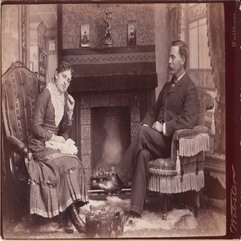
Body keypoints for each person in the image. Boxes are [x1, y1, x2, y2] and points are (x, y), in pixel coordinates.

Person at [98, 40, 199, 219]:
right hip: (156, 140)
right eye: (169, 56)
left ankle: (119, 180)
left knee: (143, 134)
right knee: (143, 153)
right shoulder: (168, 86)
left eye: (172, 57)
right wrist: (146, 123)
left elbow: (189, 120)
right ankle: (135, 211)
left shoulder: (190, 89)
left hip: (172, 144)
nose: (168, 61)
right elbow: (153, 111)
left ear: (183, 59)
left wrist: (165, 126)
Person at [27, 62, 88, 233]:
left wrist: (69, 112)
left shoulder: (63, 96)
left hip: (52, 143)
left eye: (69, 80)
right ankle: (73, 217)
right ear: (55, 75)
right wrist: (55, 139)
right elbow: (35, 127)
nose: (65, 82)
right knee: (65, 165)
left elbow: (62, 130)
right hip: (39, 144)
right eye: (63, 77)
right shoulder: (46, 94)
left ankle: (66, 215)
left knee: (74, 161)